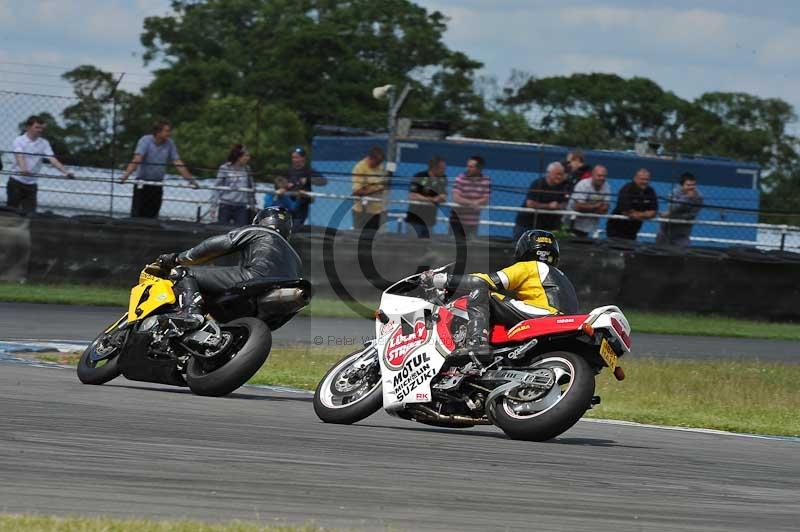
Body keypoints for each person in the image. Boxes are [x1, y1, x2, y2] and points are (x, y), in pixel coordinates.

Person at [420, 230, 577, 359]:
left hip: (544, 314)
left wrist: (443, 279)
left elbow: (484, 281)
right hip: (562, 322)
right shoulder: (563, 276)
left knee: (483, 292)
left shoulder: (530, 266)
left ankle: (477, 342)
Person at [156, 206, 300, 332]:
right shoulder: (296, 258)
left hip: (254, 279)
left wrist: (177, 258)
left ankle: (190, 314)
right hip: (275, 309)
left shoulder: (258, 230)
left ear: (260, 221)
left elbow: (218, 245)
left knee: (183, 273)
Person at [120, 120, 199, 218]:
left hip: (157, 184)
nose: (168, 133)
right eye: (166, 131)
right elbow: (137, 159)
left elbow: (177, 162)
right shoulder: (145, 141)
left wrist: (191, 180)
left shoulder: (170, 143)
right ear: (158, 132)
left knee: (153, 213)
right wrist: (125, 176)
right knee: (138, 214)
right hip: (142, 183)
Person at [7, 115, 74, 215]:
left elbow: (52, 159)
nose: (40, 130)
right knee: (11, 212)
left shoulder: (44, 143)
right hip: (16, 182)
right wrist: (23, 169)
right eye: (37, 127)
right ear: (28, 127)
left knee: (30, 214)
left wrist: (66, 172)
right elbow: (19, 155)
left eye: (42, 128)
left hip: (32, 184)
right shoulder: (19, 140)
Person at [513, 161, 568, 240]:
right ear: (548, 173)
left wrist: (558, 206)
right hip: (527, 225)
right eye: (557, 174)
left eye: (561, 174)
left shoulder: (564, 186)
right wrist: (549, 206)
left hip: (548, 227)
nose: (559, 177)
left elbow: (565, 204)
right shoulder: (538, 184)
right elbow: (530, 204)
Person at [605, 168, 658, 240]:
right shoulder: (627, 189)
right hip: (616, 228)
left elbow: (653, 212)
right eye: (642, 179)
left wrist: (637, 214)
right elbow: (626, 211)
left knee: (630, 250)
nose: (644, 182)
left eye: (647, 179)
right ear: (635, 178)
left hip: (633, 229)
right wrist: (645, 214)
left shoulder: (650, 191)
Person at [210, 144, 256, 226]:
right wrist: (213, 205)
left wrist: (253, 205)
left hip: (241, 207)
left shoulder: (247, 169)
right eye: (246, 156)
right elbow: (217, 187)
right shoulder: (225, 168)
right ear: (239, 156)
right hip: (226, 205)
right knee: (222, 230)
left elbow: (250, 187)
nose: (248, 158)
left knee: (240, 231)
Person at [656, 172, 704, 246]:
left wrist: (670, 215)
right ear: (681, 185)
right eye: (688, 185)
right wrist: (687, 198)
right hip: (666, 228)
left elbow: (691, 215)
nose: (691, 187)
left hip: (682, 230)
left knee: (681, 251)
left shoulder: (699, 197)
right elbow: (672, 208)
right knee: (660, 249)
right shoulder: (674, 192)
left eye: (693, 185)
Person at [449, 155, 491, 239]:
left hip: (473, 222)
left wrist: (477, 202)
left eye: (471, 167)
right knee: (454, 246)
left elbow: (486, 199)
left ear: (479, 168)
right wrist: (472, 203)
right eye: (467, 166)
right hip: (457, 221)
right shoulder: (461, 178)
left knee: (471, 247)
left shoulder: (486, 180)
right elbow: (456, 198)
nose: (468, 168)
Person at [406, 155, 447, 238]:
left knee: (426, 247)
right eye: (442, 168)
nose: (444, 170)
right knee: (413, 246)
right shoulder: (419, 176)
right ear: (435, 168)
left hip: (430, 221)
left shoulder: (443, 178)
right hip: (415, 220)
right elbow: (412, 195)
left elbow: (443, 196)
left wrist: (437, 198)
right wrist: (431, 199)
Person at [284, 146, 327, 227]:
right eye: (293, 157)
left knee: (297, 225)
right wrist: (285, 185)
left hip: (302, 203)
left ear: (303, 158)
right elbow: (279, 183)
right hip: (288, 202)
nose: (294, 160)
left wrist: (308, 180)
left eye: (297, 157)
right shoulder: (289, 171)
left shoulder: (308, 171)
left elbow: (323, 181)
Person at [567, 164, 611, 237]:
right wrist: (596, 206)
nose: (602, 178)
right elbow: (578, 207)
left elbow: (605, 209)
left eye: (604, 176)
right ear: (592, 175)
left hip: (589, 226)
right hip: (571, 222)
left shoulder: (606, 186)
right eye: (599, 176)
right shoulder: (583, 184)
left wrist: (586, 207)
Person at [351, 146, 387, 232]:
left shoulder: (380, 166)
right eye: (377, 162)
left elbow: (385, 182)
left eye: (380, 162)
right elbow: (357, 191)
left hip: (377, 209)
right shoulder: (360, 168)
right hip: (362, 211)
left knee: (374, 236)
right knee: (359, 235)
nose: (379, 165)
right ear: (371, 158)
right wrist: (378, 189)